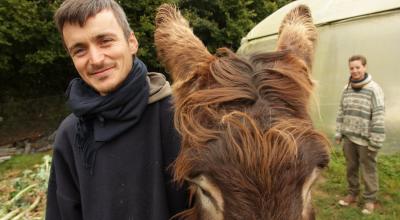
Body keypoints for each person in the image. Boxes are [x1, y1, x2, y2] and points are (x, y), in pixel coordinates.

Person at [45, 0, 188, 219]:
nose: (96, 59)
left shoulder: (179, 117)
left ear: (132, 42)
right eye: (80, 50)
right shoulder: (71, 135)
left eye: (105, 41)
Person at [335, 55, 385, 215]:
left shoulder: (374, 89)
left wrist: (375, 141)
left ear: (364, 67)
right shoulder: (346, 89)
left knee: (368, 170)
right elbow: (341, 111)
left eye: (358, 67)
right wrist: (338, 132)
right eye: (352, 68)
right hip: (349, 138)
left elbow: (378, 116)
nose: (355, 71)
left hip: (366, 140)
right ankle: (352, 194)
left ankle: (370, 199)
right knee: (351, 168)